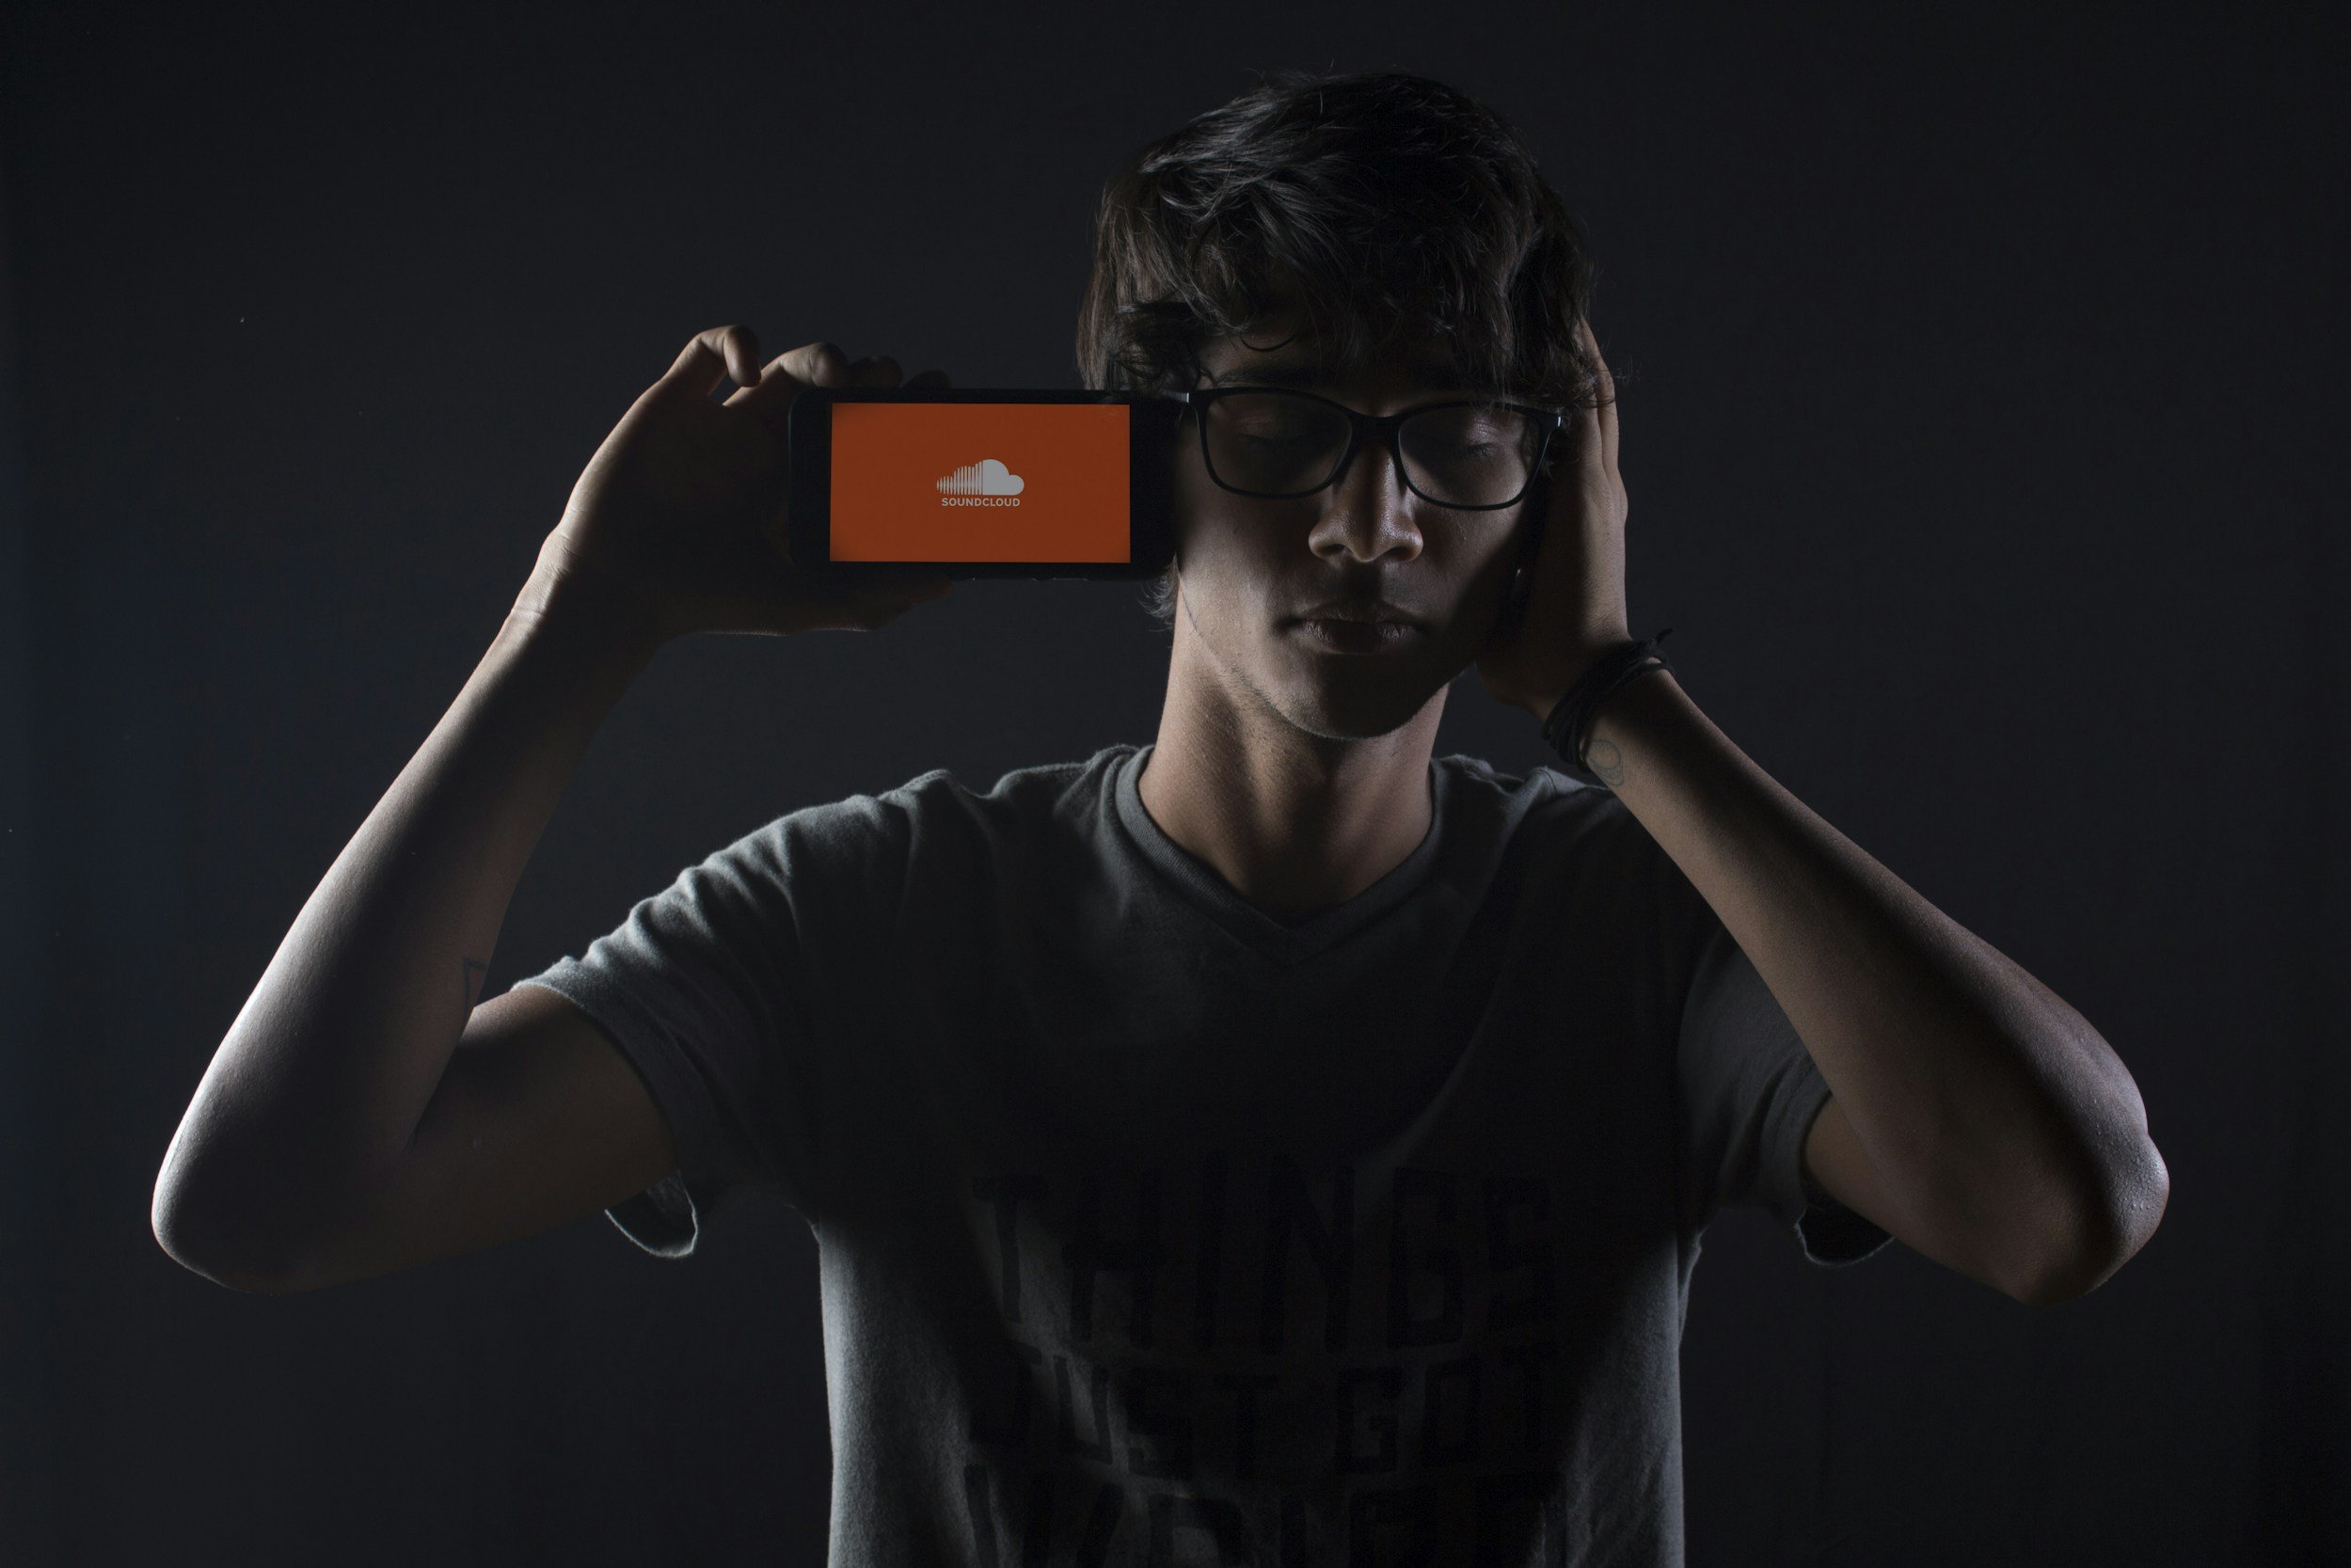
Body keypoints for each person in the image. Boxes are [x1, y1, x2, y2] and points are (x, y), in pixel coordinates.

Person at [151, 69, 2168, 1565]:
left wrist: (1607, 693)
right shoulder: (870, 915)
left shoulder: (1635, 935)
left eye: (1451, 432)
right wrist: (579, 622)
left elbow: (2065, 1208)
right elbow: (264, 1207)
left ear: (1549, 482)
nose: (1368, 522)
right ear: (1128, 464)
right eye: (1283, 421)